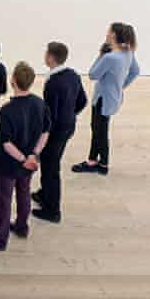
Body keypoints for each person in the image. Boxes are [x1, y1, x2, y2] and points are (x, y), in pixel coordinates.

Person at [0, 63, 50, 251]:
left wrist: (23, 159)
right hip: (29, 164)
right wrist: (33, 155)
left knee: (4, 200)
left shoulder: (7, 111)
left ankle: (0, 238)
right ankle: (21, 227)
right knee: (24, 193)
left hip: (8, 165)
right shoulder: (40, 104)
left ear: (13, 81)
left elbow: (7, 143)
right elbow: (45, 132)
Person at [73, 23, 140, 176]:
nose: (107, 33)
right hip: (113, 97)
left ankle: (102, 165)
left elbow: (92, 74)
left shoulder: (110, 57)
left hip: (103, 100)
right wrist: (121, 86)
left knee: (100, 131)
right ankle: (92, 160)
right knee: (97, 128)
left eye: (109, 31)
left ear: (114, 35)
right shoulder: (128, 52)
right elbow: (135, 71)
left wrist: (101, 55)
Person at [32, 42, 87, 223]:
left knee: (50, 168)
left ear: (50, 57)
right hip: (68, 127)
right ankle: (44, 194)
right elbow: (82, 101)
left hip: (56, 132)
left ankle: (52, 210)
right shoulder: (73, 75)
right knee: (52, 163)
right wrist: (69, 115)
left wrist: (42, 137)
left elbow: (50, 116)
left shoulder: (53, 84)